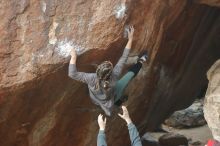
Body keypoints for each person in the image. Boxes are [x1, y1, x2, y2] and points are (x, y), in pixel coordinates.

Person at [68, 26, 148, 116]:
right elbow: (124, 57)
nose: (109, 61)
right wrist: (130, 39)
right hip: (111, 97)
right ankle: (141, 62)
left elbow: (72, 74)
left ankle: (118, 102)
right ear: (111, 72)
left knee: (101, 96)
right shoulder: (115, 75)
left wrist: (73, 57)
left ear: (98, 70)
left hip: (96, 99)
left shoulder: (91, 78)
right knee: (129, 76)